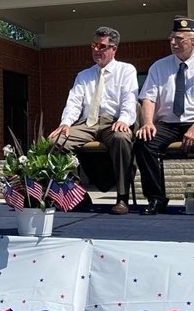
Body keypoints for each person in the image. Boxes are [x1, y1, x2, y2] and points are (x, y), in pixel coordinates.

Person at [134, 17, 194, 216]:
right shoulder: (158, 67)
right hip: (168, 123)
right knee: (144, 142)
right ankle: (156, 198)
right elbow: (148, 99)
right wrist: (148, 123)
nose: (173, 42)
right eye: (171, 38)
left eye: (179, 39)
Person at [47, 26, 138, 215]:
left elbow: (130, 99)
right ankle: (78, 193)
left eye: (102, 46)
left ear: (114, 48)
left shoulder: (126, 70)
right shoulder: (84, 75)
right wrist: (65, 123)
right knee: (55, 142)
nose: (96, 50)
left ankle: (122, 198)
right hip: (87, 122)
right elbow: (73, 103)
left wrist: (124, 120)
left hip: (112, 121)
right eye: (94, 45)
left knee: (122, 138)